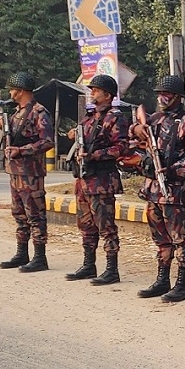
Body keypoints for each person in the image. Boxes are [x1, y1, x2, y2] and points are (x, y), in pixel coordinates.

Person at [132, 75, 185, 303]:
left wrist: (171, 169)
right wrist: (137, 131)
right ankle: (162, 279)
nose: (162, 98)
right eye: (159, 94)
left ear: (178, 97)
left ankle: (181, 284)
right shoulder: (153, 120)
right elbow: (134, 144)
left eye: (167, 95)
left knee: (180, 237)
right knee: (160, 237)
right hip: (153, 188)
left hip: (176, 189)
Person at [65, 74, 129, 285]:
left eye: (96, 90)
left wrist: (95, 155)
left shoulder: (115, 118)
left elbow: (121, 148)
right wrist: (74, 134)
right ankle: (88, 264)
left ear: (107, 95)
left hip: (101, 179)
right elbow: (79, 136)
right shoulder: (90, 117)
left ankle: (112, 269)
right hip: (84, 178)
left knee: (106, 225)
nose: (92, 93)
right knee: (86, 224)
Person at [0, 72, 55, 272]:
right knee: (19, 214)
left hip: (31, 173)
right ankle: (22, 253)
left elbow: (47, 142)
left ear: (20, 91)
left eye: (12, 89)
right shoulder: (17, 113)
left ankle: (40, 257)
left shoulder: (39, 112)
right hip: (16, 172)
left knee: (35, 214)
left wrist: (21, 150)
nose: (10, 93)